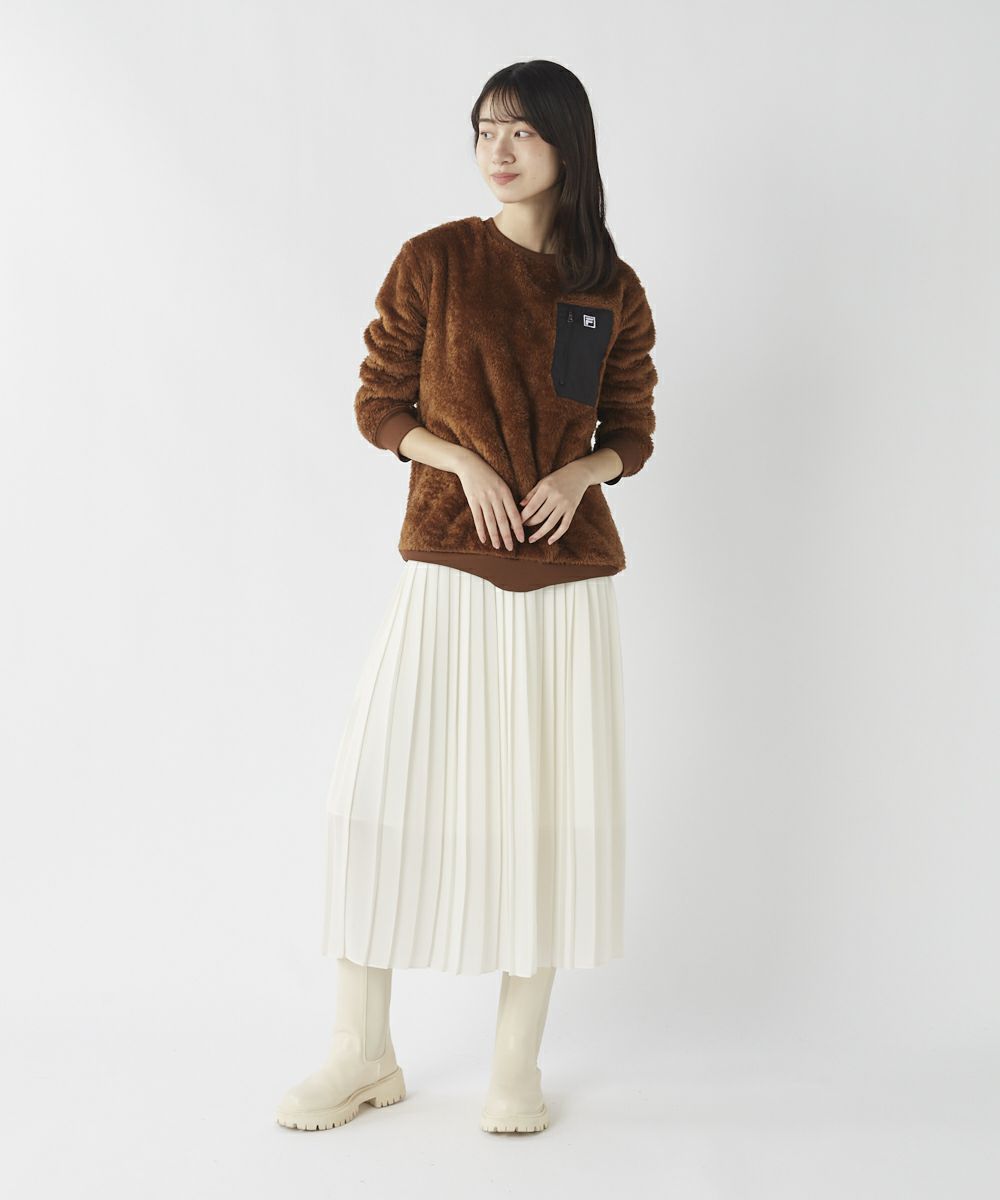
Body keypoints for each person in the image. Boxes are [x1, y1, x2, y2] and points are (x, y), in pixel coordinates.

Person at [276, 58, 658, 1136]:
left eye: (522, 131)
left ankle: (514, 1068)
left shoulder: (610, 287)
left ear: (567, 147)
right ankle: (362, 1054)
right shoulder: (435, 260)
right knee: (373, 795)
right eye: (486, 128)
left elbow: (632, 428)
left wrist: (581, 475)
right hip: (448, 561)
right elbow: (378, 402)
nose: (499, 148)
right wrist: (461, 463)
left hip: (565, 580)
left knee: (544, 814)